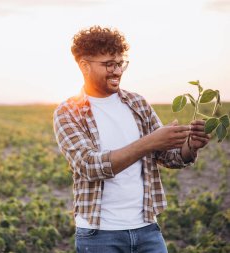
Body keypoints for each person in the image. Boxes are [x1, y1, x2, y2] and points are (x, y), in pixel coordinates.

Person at [53, 26, 210, 253]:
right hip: (99, 234)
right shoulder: (68, 112)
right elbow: (89, 166)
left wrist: (190, 147)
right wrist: (150, 142)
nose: (117, 71)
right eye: (109, 64)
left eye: (120, 63)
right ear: (84, 66)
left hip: (147, 228)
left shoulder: (137, 103)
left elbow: (170, 157)